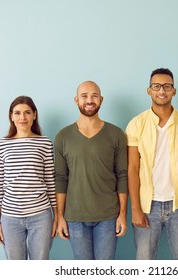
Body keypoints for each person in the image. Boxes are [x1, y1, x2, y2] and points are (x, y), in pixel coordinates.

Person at [126, 68, 178, 260]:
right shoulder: (136, 124)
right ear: (149, 90)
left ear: (174, 91)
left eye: (167, 86)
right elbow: (133, 169)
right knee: (144, 262)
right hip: (147, 206)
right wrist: (135, 208)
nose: (162, 91)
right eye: (156, 86)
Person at [55, 81, 128, 260]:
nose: (90, 100)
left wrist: (122, 215)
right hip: (75, 218)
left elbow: (122, 176)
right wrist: (60, 217)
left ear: (101, 100)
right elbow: (60, 179)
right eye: (84, 96)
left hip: (108, 217)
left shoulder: (116, 134)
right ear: (76, 100)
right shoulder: (63, 137)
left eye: (94, 96)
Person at [0, 96, 57, 260]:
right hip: (10, 218)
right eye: (18, 113)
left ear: (34, 115)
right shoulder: (2, 144)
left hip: (40, 216)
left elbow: (50, 181)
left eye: (27, 112)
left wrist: (57, 216)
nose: (22, 117)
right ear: (11, 116)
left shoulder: (44, 143)